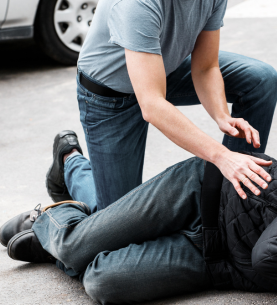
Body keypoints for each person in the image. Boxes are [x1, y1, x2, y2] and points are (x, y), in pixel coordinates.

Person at [46, 0, 277, 212]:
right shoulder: (137, 3)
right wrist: (222, 157)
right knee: (116, 223)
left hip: (162, 69)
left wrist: (221, 115)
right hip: (110, 96)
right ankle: (71, 162)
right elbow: (153, 105)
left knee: (260, 79)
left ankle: (227, 203)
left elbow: (206, 67)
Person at [0, 132, 277, 305]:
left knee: (101, 282)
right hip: (205, 192)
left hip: (221, 261)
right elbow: (267, 255)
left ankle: (57, 242)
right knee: (74, 246)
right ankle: (57, 208)